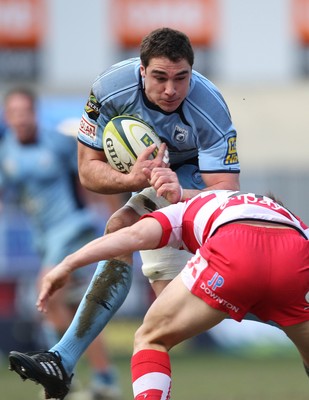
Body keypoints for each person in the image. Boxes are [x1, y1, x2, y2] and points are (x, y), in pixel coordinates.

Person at [8, 27, 241, 398]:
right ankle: (65, 362)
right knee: (163, 312)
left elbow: (226, 189)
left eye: (181, 78)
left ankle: (64, 360)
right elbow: (88, 170)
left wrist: (180, 191)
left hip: (196, 185)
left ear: (192, 73)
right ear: (142, 71)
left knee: (166, 323)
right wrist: (129, 178)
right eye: (160, 77)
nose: (171, 90)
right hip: (149, 180)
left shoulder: (209, 106)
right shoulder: (109, 89)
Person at [8, 182, 309, 399]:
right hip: (295, 258)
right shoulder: (291, 219)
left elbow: (132, 237)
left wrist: (67, 264)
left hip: (235, 249)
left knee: (151, 338)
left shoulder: (188, 208)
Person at [0, 88, 122, 400]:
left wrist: (116, 223)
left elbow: (95, 176)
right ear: (7, 117)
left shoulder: (58, 143)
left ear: (34, 113)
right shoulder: (7, 152)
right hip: (44, 238)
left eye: (24, 112)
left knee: (47, 291)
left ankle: (58, 374)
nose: (20, 119)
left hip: (73, 228)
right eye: (13, 113)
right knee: (74, 310)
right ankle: (105, 379)